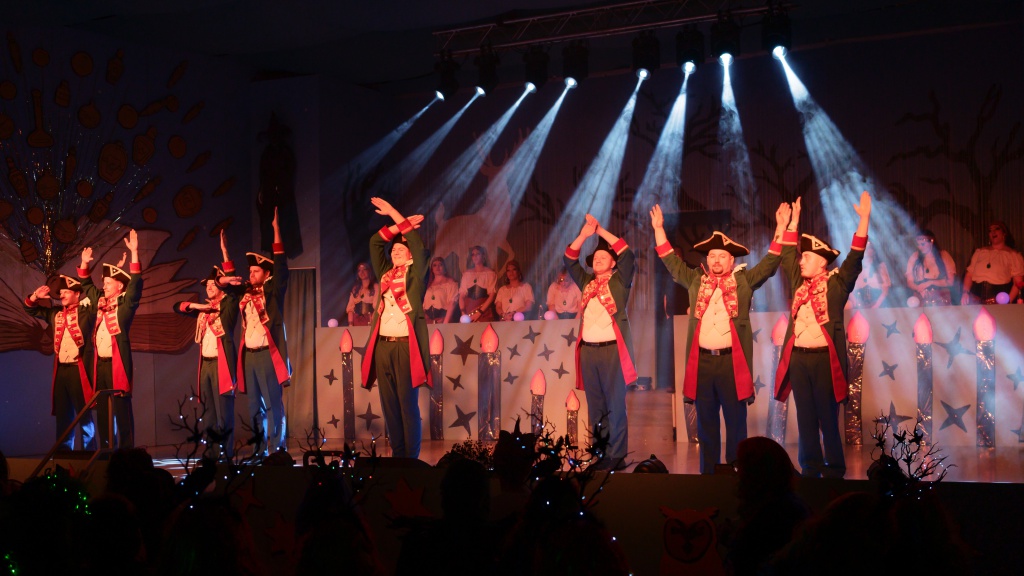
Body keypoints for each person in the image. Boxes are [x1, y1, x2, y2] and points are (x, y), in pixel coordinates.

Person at [652, 203, 790, 474]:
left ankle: (738, 474)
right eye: (712, 256)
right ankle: (709, 477)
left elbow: (769, 265)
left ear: (732, 261)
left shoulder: (743, 281)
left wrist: (781, 228)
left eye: (722, 256)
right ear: (706, 260)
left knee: (736, 424)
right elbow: (670, 261)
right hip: (703, 364)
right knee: (706, 426)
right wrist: (658, 229)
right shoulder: (696, 280)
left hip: (731, 364)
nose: (716, 260)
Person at [773, 192, 872, 478]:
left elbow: (854, 259)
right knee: (805, 416)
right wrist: (792, 223)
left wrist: (864, 220)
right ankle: (810, 466)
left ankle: (835, 468)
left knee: (827, 417)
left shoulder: (836, 285)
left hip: (824, 360)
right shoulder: (798, 285)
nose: (801, 261)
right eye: (802, 256)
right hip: (798, 359)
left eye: (806, 257)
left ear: (821, 263)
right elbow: (787, 257)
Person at [564, 214, 636, 471]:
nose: (598, 259)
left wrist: (601, 231)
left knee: (615, 405)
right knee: (596, 406)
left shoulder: (619, 282)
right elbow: (569, 259)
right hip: (588, 352)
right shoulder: (586, 282)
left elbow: (628, 255)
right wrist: (584, 235)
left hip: (612, 351)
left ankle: (617, 455)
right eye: (595, 257)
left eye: (604, 257)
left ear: (613, 263)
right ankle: (600, 453)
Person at [361, 197, 431, 458]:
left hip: (405, 347)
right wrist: (395, 227)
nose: (395, 252)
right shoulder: (385, 273)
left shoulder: (416, 275)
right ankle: (397, 455)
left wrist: (393, 212)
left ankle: (410, 459)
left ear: (411, 255)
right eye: (394, 250)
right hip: (383, 346)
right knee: (389, 406)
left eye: (401, 250)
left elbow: (418, 245)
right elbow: (375, 242)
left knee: (407, 405)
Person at [172, 230, 241, 460]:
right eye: (207, 285)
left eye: (213, 284)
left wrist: (225, 253)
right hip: (206, 365)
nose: (209, 287)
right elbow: (177, 307)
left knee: (225, 412)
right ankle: (211, 452)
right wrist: (196, 307)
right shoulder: (204, 310)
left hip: (222, 364)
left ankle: (227, 452)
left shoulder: (228, 307)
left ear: (221, 287)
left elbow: (232, 289)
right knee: (209, 411)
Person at [79, 230, 142, 450]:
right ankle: (106, 451)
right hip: (101, 365)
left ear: (119, 286)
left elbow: (136, 286)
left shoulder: (125, 305)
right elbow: (87, 286)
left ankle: (127, 452)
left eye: (108, 283)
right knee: (103, 412)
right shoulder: (100, 302)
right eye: (104, 282)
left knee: (122, 410)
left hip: (117, 364)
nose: (104, 286)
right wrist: (84, 264)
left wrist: (134, 252)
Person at [238, 207, 291, 454]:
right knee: (253, 407)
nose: (251, 274)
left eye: (256, 271)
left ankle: (276, 448)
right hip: (249, 355)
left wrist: (277, 231)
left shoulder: (272, 292)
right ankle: (259, 450)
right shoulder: (245, 294)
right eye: (250, 271)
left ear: (267, 274)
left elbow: (281, 268)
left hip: (267, 354)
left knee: (272, 403)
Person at [24, 274, 97, 451]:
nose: (62, 295)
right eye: (61, 292)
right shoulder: (55, 313)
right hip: (61, 371)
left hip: (78, 370)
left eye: (66, 292)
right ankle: (64, 455)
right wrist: (35, 296)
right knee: (63, 416)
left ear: (77, 294)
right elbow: (31, 309)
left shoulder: (85, 311)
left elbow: (95, 298)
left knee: (84, 414)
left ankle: (90, 453)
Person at [961, 221, 1024, 304]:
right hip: (976, 298)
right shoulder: (980, 252)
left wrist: (1008, 301)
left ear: (1004, 233)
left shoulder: (1013, 255)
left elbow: (1018, 283)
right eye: (990, 230)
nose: (993, 232)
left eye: (996, 229)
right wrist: (965, 293)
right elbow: (969, 275)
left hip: (999, 298)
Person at [905, 230, 956, 306]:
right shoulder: (914, 257)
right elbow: (909, 281)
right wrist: (919, 288)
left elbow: (950, 281)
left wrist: (930, 283)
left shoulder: (943, 255)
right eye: (918, 244)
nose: (920, 247)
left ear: (931, 242)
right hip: (920, 298)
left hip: (941, 299)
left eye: (923, 244)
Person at [459, 245, 497, 322]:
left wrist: (479, 312)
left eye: (478, 254)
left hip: (484, 310)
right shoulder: (467, 274)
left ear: (483, 256)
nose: (475, 256)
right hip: (468, 309)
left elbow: (492, 295)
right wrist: (463, 312)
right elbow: (462, 296)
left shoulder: (490, 273)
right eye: (473, 254)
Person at [850, 242, 890, 309]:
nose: (866, 251)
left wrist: (876, 306)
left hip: (878, 303)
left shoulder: (880, 266)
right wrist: (856, 303)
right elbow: (848, 289)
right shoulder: (853, 267)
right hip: (859, 303)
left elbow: (885, 290)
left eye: (869, 248)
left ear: (873, 251)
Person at [423, 256, 459, 324]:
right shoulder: (428, 284)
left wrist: (445, 321)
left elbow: (452, 303)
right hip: (428, 321)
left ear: (445, 267)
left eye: (440, 264)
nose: (437, 267)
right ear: (432, 269)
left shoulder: (450, 283)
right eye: (435, 265)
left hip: (442, 318)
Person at [345, 262, 378, 326]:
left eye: (364, 269)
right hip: (356, 321)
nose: (362, 272)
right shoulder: (355, 289)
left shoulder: (375, 287)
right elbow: (350, 308)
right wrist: (350, 324)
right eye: (359, 270)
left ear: (369, 271)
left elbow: (377, 307)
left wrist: (372, 322)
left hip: (370, 320)